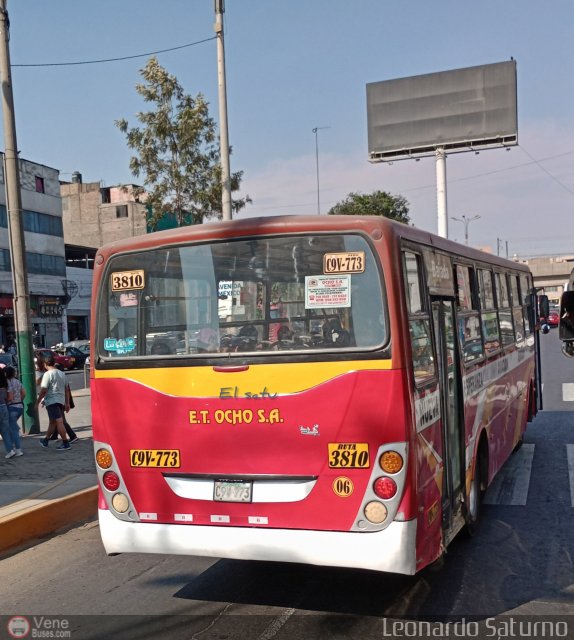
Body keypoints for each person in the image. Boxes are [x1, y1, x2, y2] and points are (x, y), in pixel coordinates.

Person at [36, 352, 77, 443]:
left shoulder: (47, 374)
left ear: (45, 364)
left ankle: (65, 442)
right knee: (53, 422)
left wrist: (37, 402)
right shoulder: (62, 373)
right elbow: (66, 390)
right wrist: (67, 403)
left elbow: (43, 390)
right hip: (60, 400)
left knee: (59, 422)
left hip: (52, 401)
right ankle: (46, 440)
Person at [5, 366, 24, 458]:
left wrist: (6, 402)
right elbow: (24, 393)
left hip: (12, 407)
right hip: (20, 406)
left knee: (13, 429)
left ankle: (18, 449)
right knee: (13, 427)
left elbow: (10, 397)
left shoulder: (7, 383)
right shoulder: (18, 381)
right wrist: (20, 400)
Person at [0, 368, 13, 458]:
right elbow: (9, 398)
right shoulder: (5, 384)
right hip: (4, 407)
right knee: (5, 431)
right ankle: (10, 450)